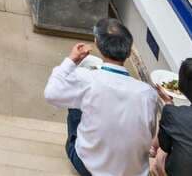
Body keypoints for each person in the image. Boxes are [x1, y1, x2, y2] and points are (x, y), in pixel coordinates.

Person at [44, 18, 158, 176]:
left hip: (90, 168)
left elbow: (51, 93)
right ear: (129, 50)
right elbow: (150, 134)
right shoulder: (148, 93)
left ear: (96, 43)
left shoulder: (86, 78)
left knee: (76, 103)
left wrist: (71, 60)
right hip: (134, 172)